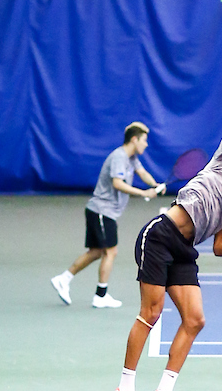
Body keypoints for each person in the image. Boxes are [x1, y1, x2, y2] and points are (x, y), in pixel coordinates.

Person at [108, 38, 222, 391]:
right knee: (151, 313)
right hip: (161, 235)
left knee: (195, 320)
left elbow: (220, 247)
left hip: (185, 249)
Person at [50, 122, 164, 309]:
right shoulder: (119, 157)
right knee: (111, 252)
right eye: (144, 140)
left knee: (96, 252)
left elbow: (142, 173)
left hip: (102, 212)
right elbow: (117, 183)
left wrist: (155, 185)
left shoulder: (132, 158)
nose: (146, 144)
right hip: (102, 211)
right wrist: (144, 193)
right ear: (134, 140)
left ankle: (64, 279)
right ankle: (100, 296)